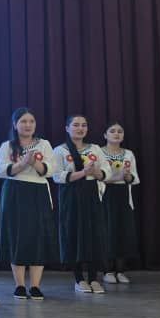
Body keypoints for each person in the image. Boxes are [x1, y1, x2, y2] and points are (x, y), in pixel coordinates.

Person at [0, 107, 58, 300]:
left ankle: (36, 286)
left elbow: (51, 170)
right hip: (14, 192)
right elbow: (0, 170)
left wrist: (34, 163)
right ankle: (20, 285)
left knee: (38, 236)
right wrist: (22, 164)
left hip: (38, 191)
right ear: (15, 125)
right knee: (17, 236)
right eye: (23, 121)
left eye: (31, 121)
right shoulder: (7, 146)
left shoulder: (44, 144)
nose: (28, 125)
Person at [53, 114, 111, 294]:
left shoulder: (95, 148)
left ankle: (93, 278)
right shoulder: (60, 150)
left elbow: (107, 171)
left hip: (92, 195)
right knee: (73, 234)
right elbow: (57, 176)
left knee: (94, 235)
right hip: (70, 196)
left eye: (84, 125)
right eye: (76, 125)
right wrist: (83, 173)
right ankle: (79, 279)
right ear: (67, 128)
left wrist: (96, 172)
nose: (80, 128)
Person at [99, 122, 140, 284]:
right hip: (105, 195)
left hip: (123, 195)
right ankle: (107, 270)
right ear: (105, 135)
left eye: (120, 131)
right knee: (107, 232)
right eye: (112, 131)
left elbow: (134, 178)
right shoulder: (98, 152)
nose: (116, 134)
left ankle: (120, 270)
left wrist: (127, 176)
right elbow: (97, 177)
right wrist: (116, 177)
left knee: (123, 231)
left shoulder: (128, 154)